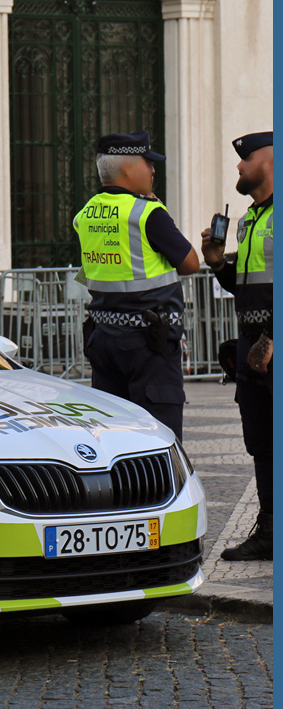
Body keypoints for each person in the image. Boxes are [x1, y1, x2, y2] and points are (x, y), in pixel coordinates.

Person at [75, 131, 200, 441]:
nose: (153, 170)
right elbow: (190, 264)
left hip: (103, 339)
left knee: (117, 435)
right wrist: (160, 210)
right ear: (129, 169)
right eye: (148, 163)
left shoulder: (85, 214)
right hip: (148, 342)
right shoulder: (147, 213)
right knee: (160, 436)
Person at [201, 131, 272, 561]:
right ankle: (270, 531)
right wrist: (216, 262)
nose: (240, 168)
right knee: (262, 446)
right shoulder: (250, 219)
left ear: (269, 159)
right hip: (252, 350)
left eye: (245, 160)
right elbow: (246, 288)